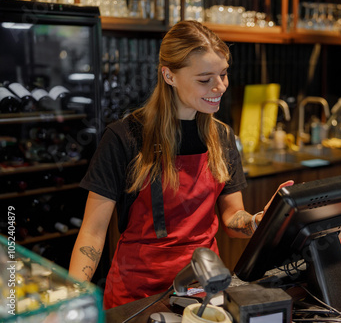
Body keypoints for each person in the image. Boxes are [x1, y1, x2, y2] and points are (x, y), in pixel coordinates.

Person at [68, 20, 293, 309]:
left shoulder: (222, 136)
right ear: (169, 75)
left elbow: (232, 220)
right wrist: (72, 301)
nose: (220, 86)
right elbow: (93, 233)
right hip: (138, 297)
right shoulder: (124, 137)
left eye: (223, 74)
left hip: (205, 292)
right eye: (205, 79)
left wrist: (256, 222)